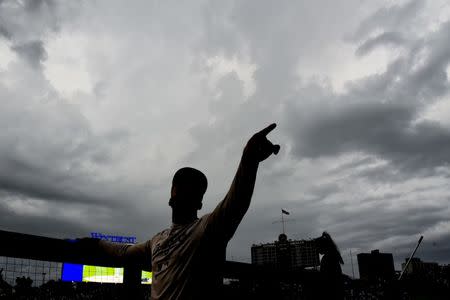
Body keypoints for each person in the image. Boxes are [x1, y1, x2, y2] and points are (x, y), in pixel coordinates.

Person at [82, 123, 280, 299]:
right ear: (171, 196)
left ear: (199, 203)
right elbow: (124, 252)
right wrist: (95, 243)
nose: (180, 194)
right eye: (179, 188)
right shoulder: (157, 241)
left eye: (190, 191)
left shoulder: (206, 230)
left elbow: (235, 203)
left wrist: (249, 159)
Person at [315, 231, 344, 299]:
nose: (316, 249)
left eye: (317, 247)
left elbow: (325, 279)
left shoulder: (327, 259)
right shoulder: (332, 256)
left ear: (322, 246)